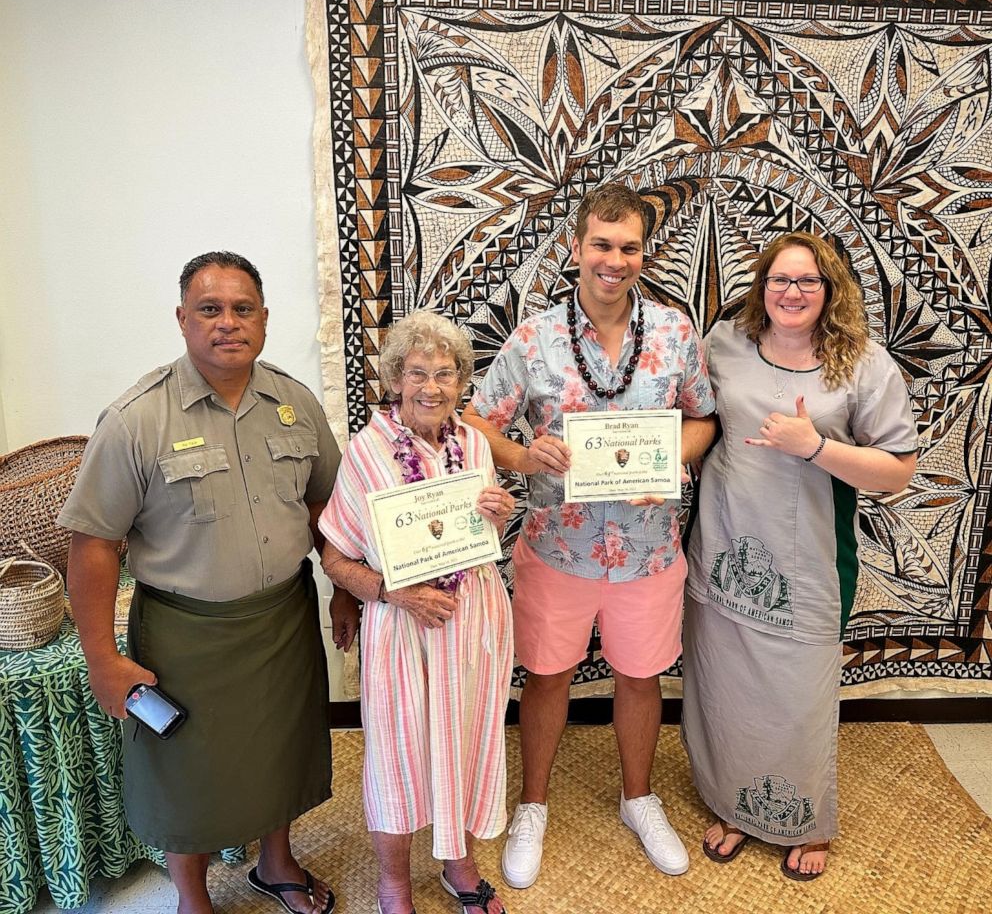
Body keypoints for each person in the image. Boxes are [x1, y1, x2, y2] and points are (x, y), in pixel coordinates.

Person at [58, 252, 340, 914]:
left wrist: (349, 588)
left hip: (282, 619)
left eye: (243, 309)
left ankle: (276, 864)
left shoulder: (295, 403)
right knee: (183, 775)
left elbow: (327, 507)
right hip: (186, 634)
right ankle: (192, 896)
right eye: (209, 310)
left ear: (265, 320)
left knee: (283, 753)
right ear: (183, 320)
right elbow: (94, 544)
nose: (227, 323)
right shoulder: (136, 419)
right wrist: (101, 657)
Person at [463, 182, 717, 887]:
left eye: (629, 247)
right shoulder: (534, 337)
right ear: (576, 248)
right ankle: (533, 804)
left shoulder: (672, 333)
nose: (614, 259)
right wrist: (520, 455)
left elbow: (704, 417)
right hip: (556, 545)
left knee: (642, 676)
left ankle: (640, 797)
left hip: (648, 544)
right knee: (547, 676)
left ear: (644, 253)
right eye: (601, 245)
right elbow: (476, 420)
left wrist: (672, 459)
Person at [681, 232, 918, 880]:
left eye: (807, 282)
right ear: (762, 287)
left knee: (798, 696)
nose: (791, 292)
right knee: (723, 687)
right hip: (725, 545)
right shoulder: (725, 343)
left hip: (807, 560)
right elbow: (695, 420)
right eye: (780, 280)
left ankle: (805, 823)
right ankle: (733, 807)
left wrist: (814, 446)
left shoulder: (863, 364)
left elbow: (898, 469)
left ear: (829, 290)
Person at [318, 310, 515, 914]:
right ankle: (394, 883)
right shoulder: (366, 452)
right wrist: (392, 592)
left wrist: (498, 513)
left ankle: (458, 864)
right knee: (399, 753)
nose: (432, 387)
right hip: (401, 627)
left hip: (473, 622)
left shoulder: (476, 443)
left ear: (462, 382)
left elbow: (476, 541)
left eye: (446, 373)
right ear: (395, 380)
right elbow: (333, 557)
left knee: (468, 740)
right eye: (417, 372)